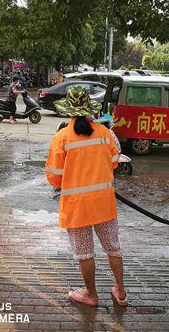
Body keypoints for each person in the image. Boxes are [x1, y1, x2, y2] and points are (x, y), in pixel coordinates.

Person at [45, 86, 127, 307]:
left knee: (85, 254)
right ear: (89, 109)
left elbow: (54, 177)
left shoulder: (61, 138)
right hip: (104, 203)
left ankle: (91, 294)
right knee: (113, 248)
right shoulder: (105, 133)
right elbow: (114, 161)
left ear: (69, 111)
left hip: (77, 207)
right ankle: (120, 292)